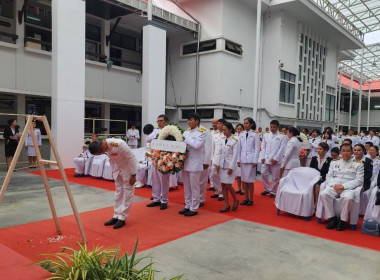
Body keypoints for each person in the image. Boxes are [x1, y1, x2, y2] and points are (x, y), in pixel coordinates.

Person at [89, 138, 138, 229]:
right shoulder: (104, 148)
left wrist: (133, 175)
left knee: (127, 193)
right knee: (118, 193)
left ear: (103, 146)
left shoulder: (119, 144)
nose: (103, 153)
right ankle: (116, 215)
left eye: (101, 152)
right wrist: (113, 172)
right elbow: (111, 160)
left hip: (128, 167)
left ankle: (122, 217)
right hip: (117, 169)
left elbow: (131, 158)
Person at [319, 144, 364, 231]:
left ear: (352, 152)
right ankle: (332, 218)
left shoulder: (358, 164)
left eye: (347, 151)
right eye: (343, 151)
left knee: (348, 198)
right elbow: (328, 177)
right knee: (323, 194)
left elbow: (359, 180)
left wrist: (343, 186)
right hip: (334, 186)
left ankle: (342, 220)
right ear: (340, 152)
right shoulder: (334, 162)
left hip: (348, 187)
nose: (345, 153)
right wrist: (334, 186)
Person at [179, 113, 207, 216]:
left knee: (194, 187)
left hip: (195, 163)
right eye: (188, 120)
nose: (188, 122)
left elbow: (197, 145)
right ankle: (187, 205)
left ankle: (194, 208)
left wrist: (185, 138)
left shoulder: (202, 132)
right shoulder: (186, 131)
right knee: (186, 186)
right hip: (185, 162)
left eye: (191, 120)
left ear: (197, 121)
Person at [147, 114, 171, 210]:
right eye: (158, 121)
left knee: (164, 180)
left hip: (165, 158)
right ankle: (156, 198)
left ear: (166, 122)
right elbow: (148, 139)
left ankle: (164, 200)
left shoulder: (171, 130)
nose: (159, 122)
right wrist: (157, 134)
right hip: (155, 157)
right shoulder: (156, 131)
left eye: (161, 121)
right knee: (155, 179)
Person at [215, 122, 239, 212]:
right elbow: (219, 153)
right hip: (222, 165)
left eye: (225, 130)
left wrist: (231, 168)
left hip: (229, 166)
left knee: (228, 185)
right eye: (223, 129)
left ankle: (235, 200)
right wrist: (217, 164)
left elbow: (235, 155)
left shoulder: (235, 140)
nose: (223, 131)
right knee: (223, 185)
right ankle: (226, 204)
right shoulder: (222, 139)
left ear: (230, 130)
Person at [260, 120, 287, 198]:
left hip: (276, 160)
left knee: (275, 176)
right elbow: (263, 146)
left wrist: (276, 158)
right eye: (271, 127)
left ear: (277, 127)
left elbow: (282, 148)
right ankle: (267, 188)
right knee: (263, 173)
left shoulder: (282, 136)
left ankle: (273, 191)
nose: (272, 128)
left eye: (274, 127)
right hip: (266, 158)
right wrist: (262, 156)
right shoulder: (266, 135)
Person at [237, 118, 260, 206]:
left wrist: (255, 161)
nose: (245, 125)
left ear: (251, 124)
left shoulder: (254, 135)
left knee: (250, 181)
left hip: (251, 160)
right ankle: (245, 198)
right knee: (243, 180)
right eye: (244, 123)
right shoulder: (241, 134)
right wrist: (238, 160)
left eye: (247, 123)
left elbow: (257, 148)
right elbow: (239, 148)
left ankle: (251, 199)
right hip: (243, 159)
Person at [310, 142, 332, 207]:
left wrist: (322, 177)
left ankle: (316, 203)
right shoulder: (314, 158)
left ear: (325, 151)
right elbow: (311, 169)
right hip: (314, 177)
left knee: (317, 185)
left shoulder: (329, 160)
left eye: (320, 149)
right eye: (318, 149)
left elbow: (329, 172)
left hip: (324, 177)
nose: (318, 150)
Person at [210, 119, 226, 201]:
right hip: (215, 158)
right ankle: (217, 190)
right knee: (213, 175)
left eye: (220, 124)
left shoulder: (226, 135)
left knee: (221, 176)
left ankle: (221, 193)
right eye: (218, 124)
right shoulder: (215, 135)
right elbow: (213, 148)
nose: (219, 125)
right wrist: (211, 159)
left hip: (222, 159)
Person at [199, 122, 213, 207]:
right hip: (192, 161)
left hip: (202, 160)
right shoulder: (188, 131)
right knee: (193, 183)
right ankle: (193, 199)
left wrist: (206, 161)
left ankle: (201, 199)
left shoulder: (205, 131)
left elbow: (208, 148)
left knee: (202, 181)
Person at [234, 123, 244, 195]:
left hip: (242, 156)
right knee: (238, 175)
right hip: (235, 157)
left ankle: (243, 188)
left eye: (240, 129)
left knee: (243, 174)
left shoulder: (244, 136)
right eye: (238, 129)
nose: (239, 130)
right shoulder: (234, 137)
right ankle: (239, 188)